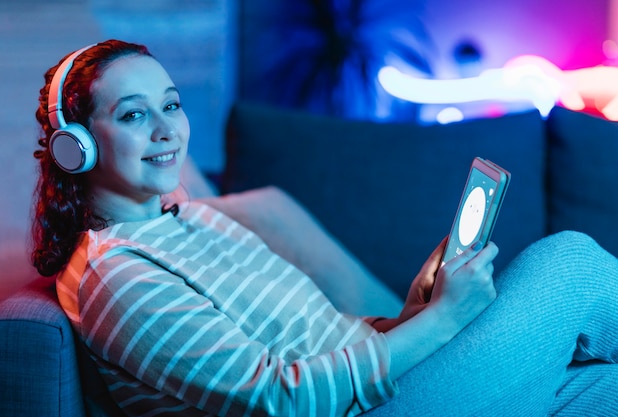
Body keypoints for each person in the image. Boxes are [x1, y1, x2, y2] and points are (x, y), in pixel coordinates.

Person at [31, 39, 618, 417]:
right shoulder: (117, 278)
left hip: (385, 390)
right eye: (133, 114)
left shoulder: (195, 219)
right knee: (567, 264)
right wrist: (446, 321)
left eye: (172, 104)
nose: (166, 129)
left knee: (601, 390)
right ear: (76, 147)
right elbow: (279, 399)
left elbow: (316, 344)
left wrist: (410, 316)